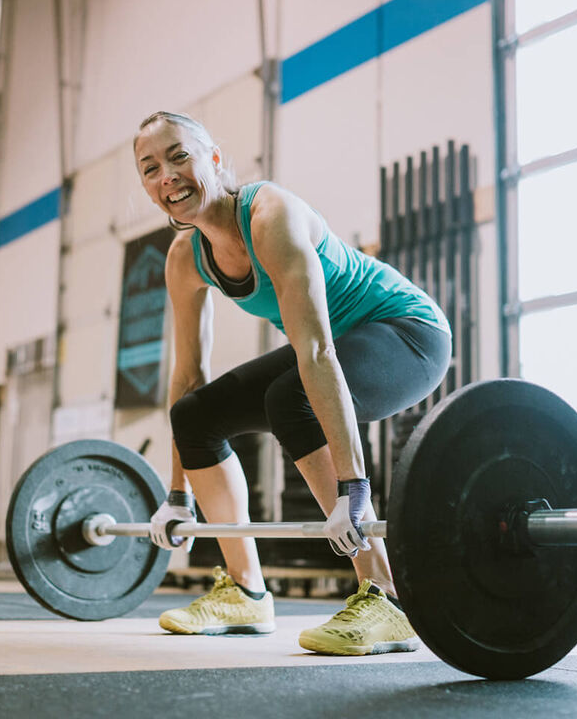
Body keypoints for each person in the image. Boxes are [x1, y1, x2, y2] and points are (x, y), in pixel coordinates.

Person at [133, 110, 451, 655]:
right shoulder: (186, 257)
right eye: (150, 168)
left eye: (179, 156)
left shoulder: (270, 214)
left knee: (291, 397)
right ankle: (246, 593)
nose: (168, 176)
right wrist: (177, 495)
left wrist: (354, 492)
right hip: (333, 349)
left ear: (213, 158)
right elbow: (187, 376)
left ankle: (388, 596)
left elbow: (316, 350)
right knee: (194, 415)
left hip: (407, 334)